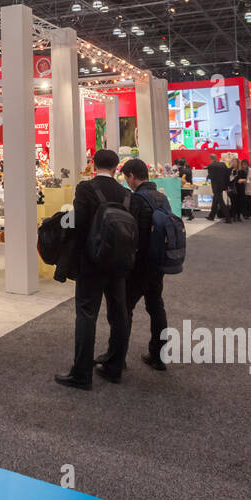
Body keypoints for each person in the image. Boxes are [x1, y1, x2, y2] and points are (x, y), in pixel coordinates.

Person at [55, 149, 130, 390]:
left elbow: (78, 224)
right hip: (119, 263)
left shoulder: (85, 189)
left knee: (87, 314)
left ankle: (81, 373)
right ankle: (115, 366)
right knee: (119, 313)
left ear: (93, 164)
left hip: (91, 261)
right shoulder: (126, 193)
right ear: (117, 168)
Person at [93, 159, 170, 374]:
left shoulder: (137, 200)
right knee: (156, 308)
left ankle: (116, 359)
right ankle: (158, 355)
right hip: (158, 263)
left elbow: (130, 233)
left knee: (123, 310)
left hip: (139, 265)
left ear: (132, 177)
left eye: (127, 178)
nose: (127, 182)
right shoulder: (161, 198)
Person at [205, 153, 230, 221]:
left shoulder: (210, 165)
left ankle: (228, 217)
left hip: (215, 186)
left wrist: (208, 177)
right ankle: (211, 216)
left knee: (220, 201)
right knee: (215, 200)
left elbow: (211, 176)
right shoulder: (223, 164)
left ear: (210, 159)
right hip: (222, 185)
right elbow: (227, 174)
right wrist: (227, 185)